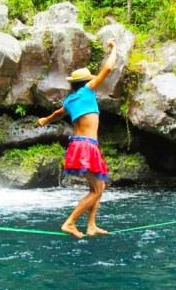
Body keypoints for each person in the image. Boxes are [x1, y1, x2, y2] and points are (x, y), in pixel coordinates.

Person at [37, 38, 117, 239]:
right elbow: (107, 69)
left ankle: (91, 225)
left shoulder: (70, 100)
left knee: (98, 186)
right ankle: (70, 222)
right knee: (97, 189)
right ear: (86, 82)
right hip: (87, 146)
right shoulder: (88, 91)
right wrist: (114, 48)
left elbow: (57, 114)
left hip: (77, 146)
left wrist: (44, 120)